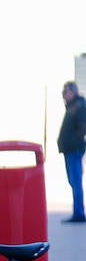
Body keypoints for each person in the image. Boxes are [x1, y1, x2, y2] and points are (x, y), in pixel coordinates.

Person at [58, 80, 86, 223]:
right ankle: (78, 211)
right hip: (69, 150)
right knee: (73, 181)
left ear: (73, 92)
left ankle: (79, 213)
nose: (64, 95)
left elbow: (82, 127)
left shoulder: (79, 106)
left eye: (67, 92)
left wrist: (73, 142)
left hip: (74, 150)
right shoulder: (71, 106)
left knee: (76, 182)